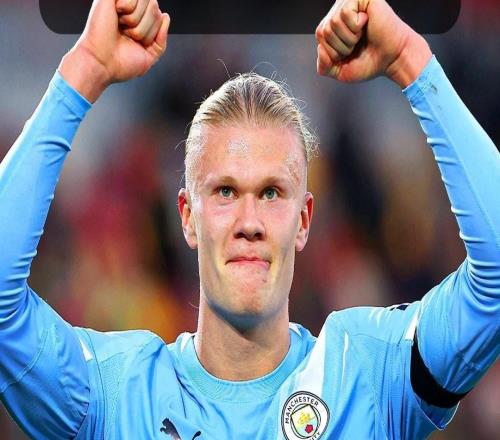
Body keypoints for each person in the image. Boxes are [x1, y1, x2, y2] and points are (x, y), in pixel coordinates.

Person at [0, 0, 498, 438]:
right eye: (225, 192)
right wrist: (85, 69)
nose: (249, 221)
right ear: (187, 217)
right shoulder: (116, 394)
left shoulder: (367, 376)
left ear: (304, 220)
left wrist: (410, 59)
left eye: (271, 193)